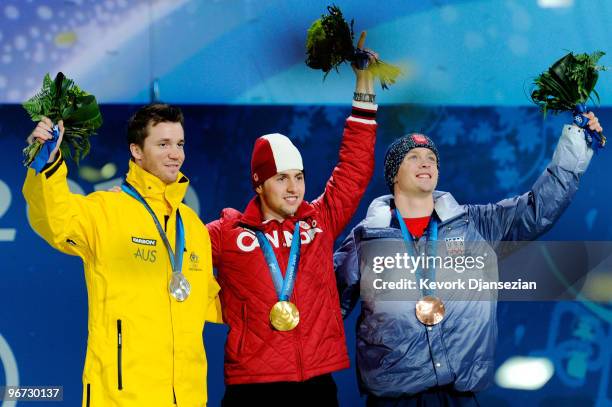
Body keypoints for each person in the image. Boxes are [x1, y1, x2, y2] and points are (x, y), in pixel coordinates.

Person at [334, 113, 603, 406]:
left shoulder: (474, 224)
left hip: (460, 395)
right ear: (393, 173)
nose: (425, 162)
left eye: (431, 158)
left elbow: (539, 209)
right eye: (413, 156)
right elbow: (324, 304)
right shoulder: (368, 238)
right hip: (393, 398)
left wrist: (576, 143)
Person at [207, 39, 379, 405]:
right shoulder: (227, 234)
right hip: (253, 386)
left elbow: (354, 168)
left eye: (298, 177)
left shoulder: (319, 220)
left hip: (316, 382)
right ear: (258, 182)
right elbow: (175, 259)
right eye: (281, 178)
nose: (293, 188)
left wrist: (363, 82)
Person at [23, 104, 222, 407]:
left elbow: (210, 302)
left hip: (188, 397)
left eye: (180, 144)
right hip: (120, 396)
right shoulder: (106, 211)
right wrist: (46, 164)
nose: (176, 154)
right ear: (137, 151)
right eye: (163, 144)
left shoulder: (193, 227)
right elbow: (55, 219)